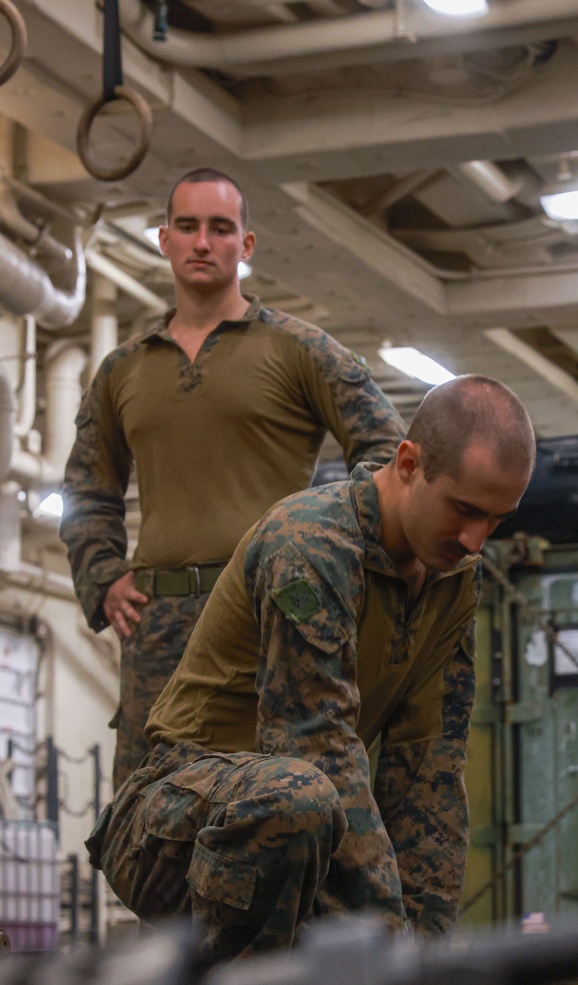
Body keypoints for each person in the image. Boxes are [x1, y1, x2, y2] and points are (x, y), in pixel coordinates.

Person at [87, 375, 536, 985]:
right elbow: (321, 757)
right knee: (299, 799)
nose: (477, 540)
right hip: (175, 827)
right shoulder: (312, 545)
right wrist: (393, 965)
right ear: (409, 464)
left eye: (497, 521)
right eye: (465, 511)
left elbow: (429, 783)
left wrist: (424, 967)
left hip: (306, 837)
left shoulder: (453, 579)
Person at [60, 167, 404, 789]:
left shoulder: (297, 349)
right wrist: (103, 576)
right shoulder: (123, 371)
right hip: (157, 619)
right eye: (187, 227)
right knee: (149, 809)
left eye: (220, 228)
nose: (202, 242)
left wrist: (335, 557)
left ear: (245, 246)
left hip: (270, 605)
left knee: (274, 791)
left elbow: (386, 450)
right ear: (163, 240)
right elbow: (86, 488)